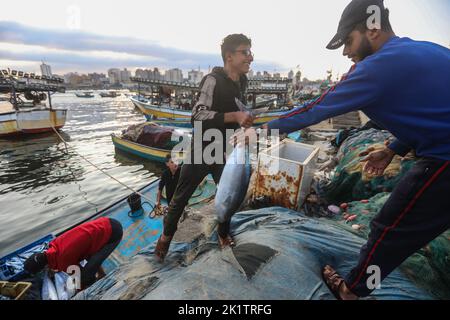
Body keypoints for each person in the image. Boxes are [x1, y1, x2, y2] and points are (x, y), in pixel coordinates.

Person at [256, 0, 450, 299]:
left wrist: (259, 132)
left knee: (391, 227)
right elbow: (433, 112)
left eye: (348, 41)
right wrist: (393, 148)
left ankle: (353, 290)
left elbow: (315, 109)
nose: (346, 52)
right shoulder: (425, 50)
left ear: (372, 30)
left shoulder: (378, 66)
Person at [154, 34, 255, 261]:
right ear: (229, 56)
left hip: (226, 151)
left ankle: (222, 234)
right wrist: (235, 115)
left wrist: (247, 126)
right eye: (245, 52)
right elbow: (197, 115)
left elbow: (242, 115)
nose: (251, 57)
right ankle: (164, 240)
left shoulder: (243, 82)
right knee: (180, 199)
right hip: (202, 149)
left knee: (229, 194)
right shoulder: (213, 80)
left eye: (251, 52)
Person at [24, 217, 123, 289]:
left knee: (85, 276)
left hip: (113, 234)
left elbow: (79, 277)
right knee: (88, 256)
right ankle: (101, 274)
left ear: (45, 267)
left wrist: (79, 290)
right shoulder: (53, 244)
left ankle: (101, 282)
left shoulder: (63, 262)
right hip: (106, 221)